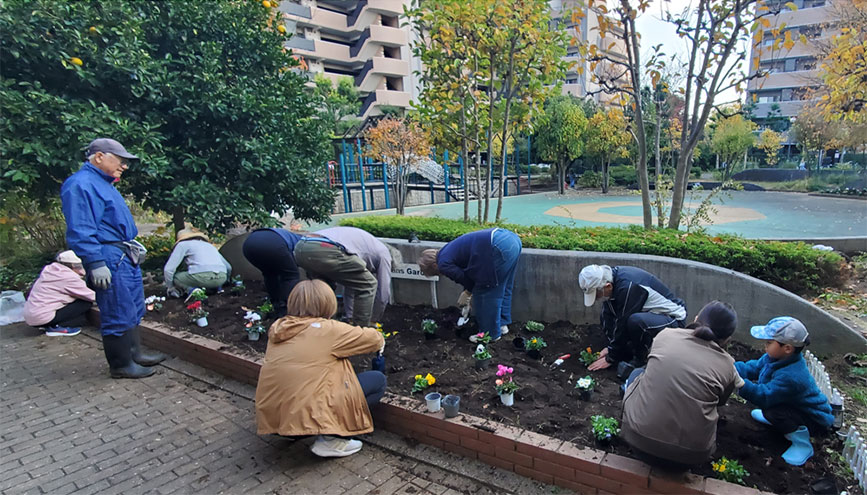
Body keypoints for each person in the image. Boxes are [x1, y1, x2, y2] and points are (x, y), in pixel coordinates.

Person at [60, 138, 166, 378]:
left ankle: (134, 354)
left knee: (133, 306)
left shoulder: (103, 184)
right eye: (120, 160)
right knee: (117, 308)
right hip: (108, 256)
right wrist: (95, 262)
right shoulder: (81, 185)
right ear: (99, 156)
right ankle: (121, 365)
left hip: (122, 254)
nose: (124, 166)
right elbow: (81, 228)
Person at [255, 280, 386, 458]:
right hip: (307, 412)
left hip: (275, 417)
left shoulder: (280, 328)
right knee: (377, 380)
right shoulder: (327, 330)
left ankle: (291, 430)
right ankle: (333, 440)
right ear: (327, 303)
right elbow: (374, 339)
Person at [621, 301, 743, 468]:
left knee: (637, 374)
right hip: (691, 458)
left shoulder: (666, 335)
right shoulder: (728, 365)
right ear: (728, 338)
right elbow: (721, 402)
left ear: (697, 318)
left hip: (637, 440)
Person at [735, 316, 833, 466]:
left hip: (813, 419)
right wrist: (732, 367)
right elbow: (753, 368)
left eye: (769, 342)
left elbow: (765, 396)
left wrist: (741, 384)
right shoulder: (774, 358)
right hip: (793, 406)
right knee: (773, 410)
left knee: (773, 412)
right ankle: (782, 423)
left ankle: (802, 444)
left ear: (787, 348)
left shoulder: (792, 376)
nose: (765, 346)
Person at [417, 228, 522, 343]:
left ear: (433, 267)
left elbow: (467, 280)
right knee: (503, 286)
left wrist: (468, 293)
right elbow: (470, 274)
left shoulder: (443, 264)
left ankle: (490, 334)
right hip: (511, 239)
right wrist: (467, 294)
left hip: (496, 246)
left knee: (485, 292)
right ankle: (502, 324)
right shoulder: (446, 251)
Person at [578, 264, 686, 373]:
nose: (597, 298)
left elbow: (623, 322)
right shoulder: (612, 279)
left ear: (608, 286)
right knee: (608, 312)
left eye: (597, 294)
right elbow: (609, 316)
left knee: (635, 321)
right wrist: (610, 346)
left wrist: (611, 357)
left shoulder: (629, 287)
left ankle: (640, 359)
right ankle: (625, 350)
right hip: (649, 314)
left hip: (672, 319)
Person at [294, 226, 393, 327]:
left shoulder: (366, 246)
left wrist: (350, 317)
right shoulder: (385, 254)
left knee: (323, 288)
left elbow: (351, 286)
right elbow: (383, 293)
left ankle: (320, 327)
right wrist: (374, 319)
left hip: (301, 247)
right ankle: (360, 334)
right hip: (324, 248)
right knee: (368, 283)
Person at [23, 250, 96, 336]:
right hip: (42, 316)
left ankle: (47, 325)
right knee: (84, 304)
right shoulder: (68, 277)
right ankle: (57, 327)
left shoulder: (51, 271)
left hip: (32, 316)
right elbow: (92, 296)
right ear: (73, 265)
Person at [242, 227, 302, 318]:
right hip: (274, 244)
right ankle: (287, 309)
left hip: (248, 245)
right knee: (291, 276)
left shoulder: (291, 237)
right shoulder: (303, 243)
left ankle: (275, 303)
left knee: (269, 274)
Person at [164, 228, 232, 297]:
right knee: (205, 279)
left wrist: (171, 287)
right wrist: (226, 281)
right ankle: (217, 288)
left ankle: (192, 290)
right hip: (222, 277)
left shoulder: (183, 244)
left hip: (201, 278)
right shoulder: (210, 245)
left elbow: (168, 270)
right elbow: (228, 267)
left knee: (176, 277)